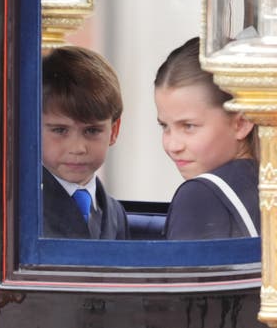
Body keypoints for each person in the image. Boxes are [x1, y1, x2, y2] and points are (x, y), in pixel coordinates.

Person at [154, 37, 259, 240]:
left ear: (242, 123)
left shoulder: (200, 195)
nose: (172, 145)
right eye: (164, 126)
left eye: (189, 126)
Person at [41, 46, 129, 239]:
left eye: (92, 131)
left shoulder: (115, 213)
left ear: (114, 131)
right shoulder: (19, 209)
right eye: (60, 130)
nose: (78, 148)